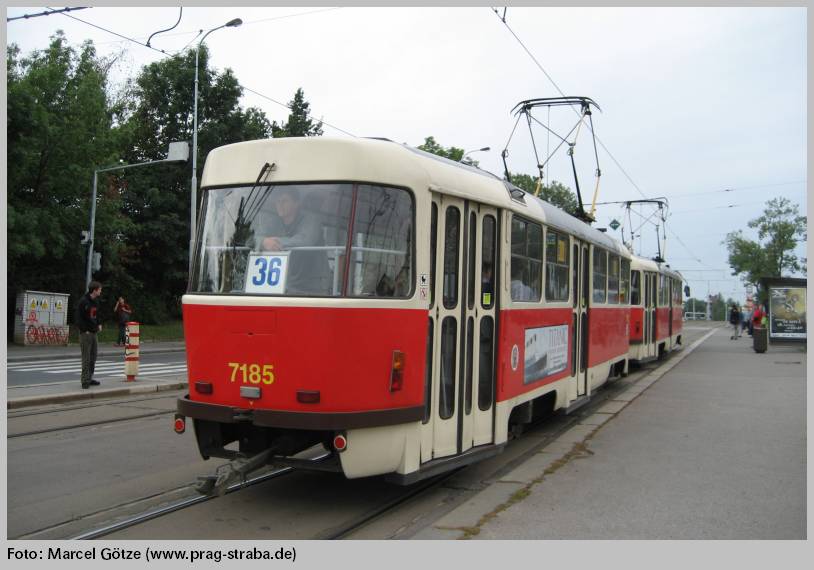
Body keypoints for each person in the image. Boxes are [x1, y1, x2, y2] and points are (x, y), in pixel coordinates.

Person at [257, 187, 329, 295]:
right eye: (278, 201)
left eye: (284, 201)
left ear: (297, 204)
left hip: (313, 285)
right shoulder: (275, 222)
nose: (280, 204)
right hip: (286, 283)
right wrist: (263, 242)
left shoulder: (312, 219)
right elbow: (252, 237)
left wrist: (275, 242)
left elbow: (305, 240)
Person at [76, 281, 103, 389]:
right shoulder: (83, 301)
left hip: (94, 332)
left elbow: (97, 314)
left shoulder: (95, 301)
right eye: (99, 289)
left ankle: (90, 377)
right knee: (86, 358)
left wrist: (99, 323)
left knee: (93, 357)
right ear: (94, 290)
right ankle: (85, 381)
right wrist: (84, 330)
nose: (100, 291)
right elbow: (78, 318)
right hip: (86, 333)